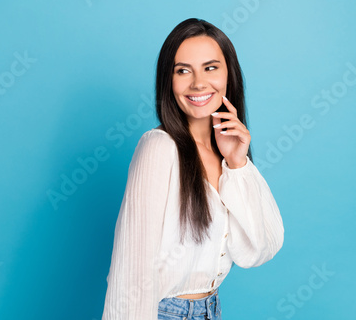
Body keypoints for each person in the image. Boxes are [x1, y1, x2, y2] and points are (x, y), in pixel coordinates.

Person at [101, 18, 285, 320]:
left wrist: (238, 164)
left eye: (210, 68)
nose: (198, 83)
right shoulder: (158, 148)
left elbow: (259, 249)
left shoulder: (228, 155)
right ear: (168, 80)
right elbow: (132, 271)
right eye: (183, 70)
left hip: (211, 311)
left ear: (229, 75)